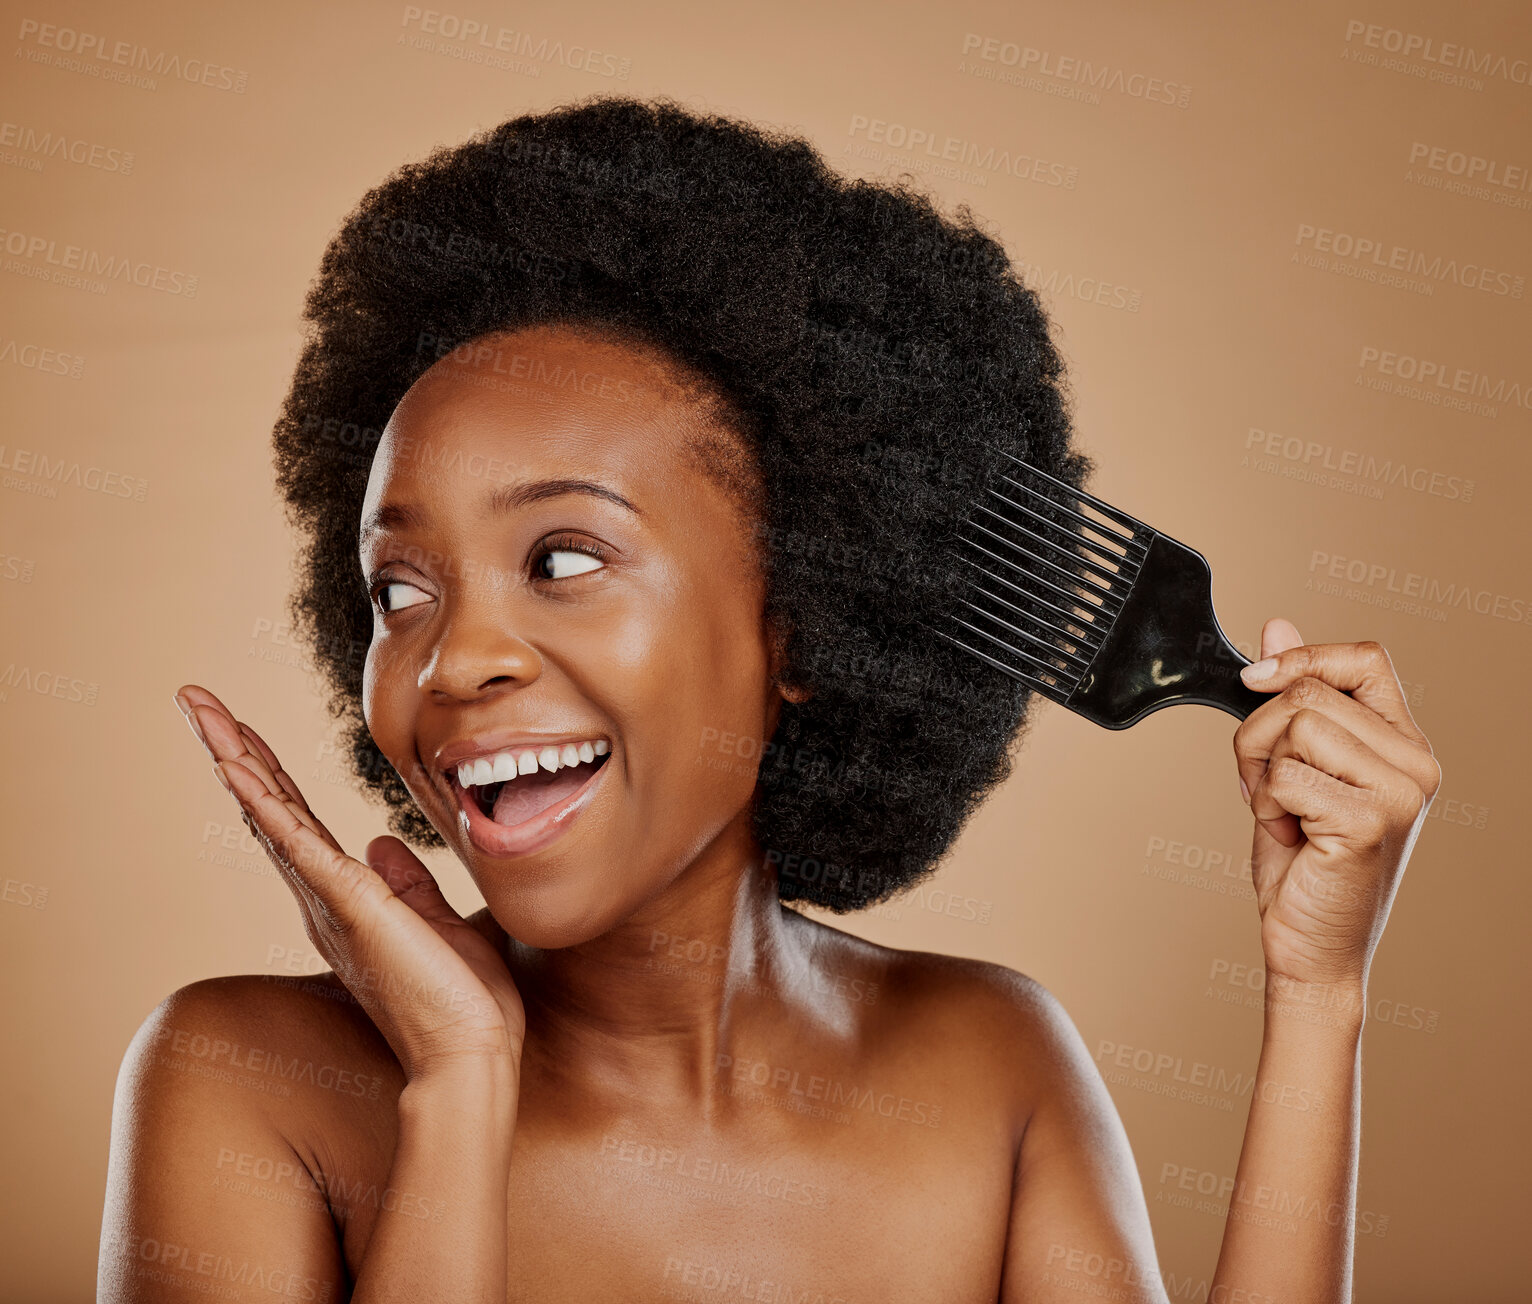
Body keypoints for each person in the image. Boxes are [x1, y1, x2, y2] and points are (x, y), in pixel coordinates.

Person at [99, 95, 1441, 1303]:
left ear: (800, 624)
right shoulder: (249, 1080)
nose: (453, 662)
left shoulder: (991, 1066)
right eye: (399, 591)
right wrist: (457, 1093)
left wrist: (1319, 994)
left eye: (562, 558)